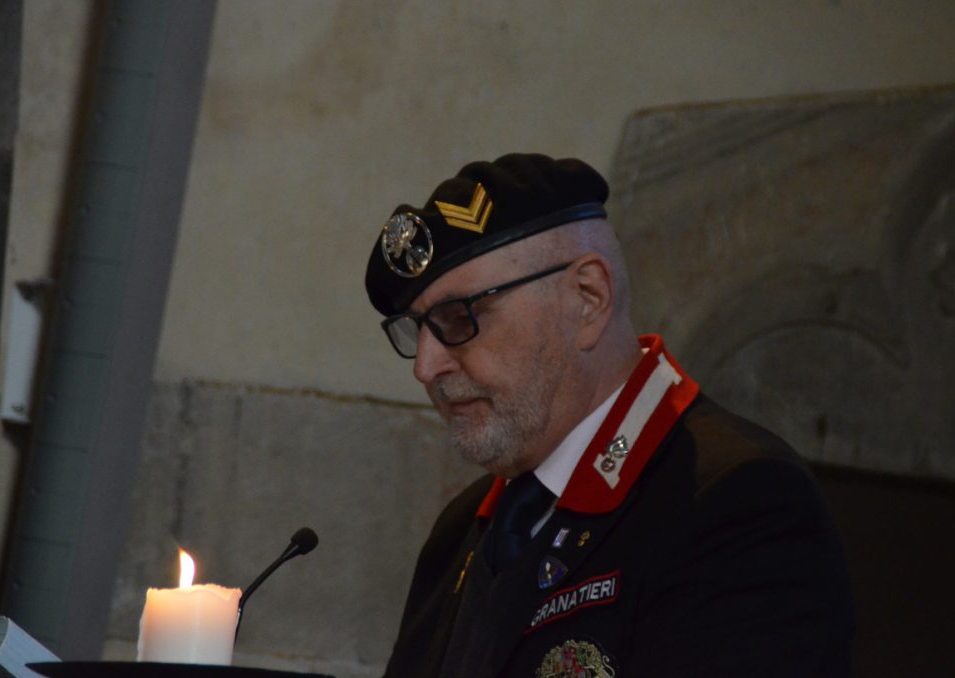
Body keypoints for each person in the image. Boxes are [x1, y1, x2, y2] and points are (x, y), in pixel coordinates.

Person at [364, 153, 854, 677]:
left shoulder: (737, 502)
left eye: (460, 317)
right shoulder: (462, 529)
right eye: (417, 328)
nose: (425, 367)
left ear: (589, 298)